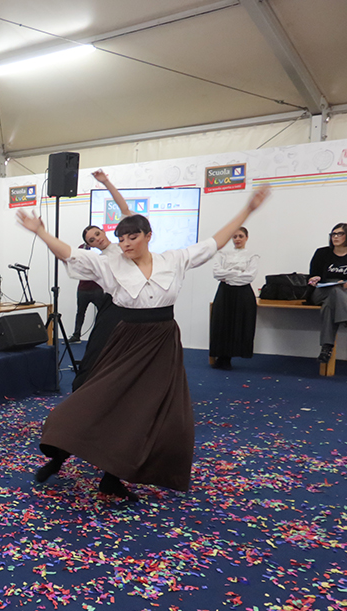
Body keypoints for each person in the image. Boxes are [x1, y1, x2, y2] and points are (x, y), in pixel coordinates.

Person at [17, 187, 270, 502]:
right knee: (96, 400)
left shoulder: (173, 260)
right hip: (128, 340)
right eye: (121, 238)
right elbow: (70, 253)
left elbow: (214, 242)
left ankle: (112, 478)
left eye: (132, 237)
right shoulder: (110, 264)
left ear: (148, 236)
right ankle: (59, 456)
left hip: (163, 342)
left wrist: (248, 209)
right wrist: (41, 232)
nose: (125, 244)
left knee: (147, 412)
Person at [69, 170, 134, 390]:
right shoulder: (100, 260)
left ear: (104, 231)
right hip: (113, 304)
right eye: (91, 239)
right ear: (90, 245)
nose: (96, 239)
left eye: (97, 234)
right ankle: (86, 387)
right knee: (99, 345)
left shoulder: (124, 244)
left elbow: (124, 209)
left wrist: (106, 182)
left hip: (136, 303)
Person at [209, 226, 258, 369]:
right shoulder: (223, 254)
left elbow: (250, 276)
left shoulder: (252, 255)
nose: (237, 239)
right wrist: (238, 273)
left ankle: (232, 355)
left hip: (243, 293)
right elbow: (217, 273)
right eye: (235, 236)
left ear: (246, 238)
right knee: (221, 322)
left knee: (239, 323)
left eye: (240, 236)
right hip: (225, 292)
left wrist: (228, 274)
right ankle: (222, 357)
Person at [307, 223, 347, 364]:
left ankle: (326, 348)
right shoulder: (322, 253)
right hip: (321, 291)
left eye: (339, 234)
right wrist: (314, 279)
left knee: (329, 305)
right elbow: (312, 275)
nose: (335, 237)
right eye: (333, 234)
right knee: (334, 290)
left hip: (342, 295)